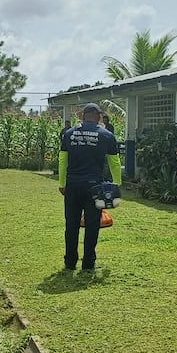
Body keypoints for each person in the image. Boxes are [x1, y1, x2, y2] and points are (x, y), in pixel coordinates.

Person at [59, 103, 122, 272]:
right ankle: (88, 263)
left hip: (72, 185)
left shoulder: (69, 134)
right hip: (95, 187)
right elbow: (114, 162)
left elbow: (62, 160)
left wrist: (62, 183)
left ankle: (70, 262)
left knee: (71, 224)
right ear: (98, 116)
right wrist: (117, 183)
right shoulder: (106, 135)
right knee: (93, 224)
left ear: (83, 116)